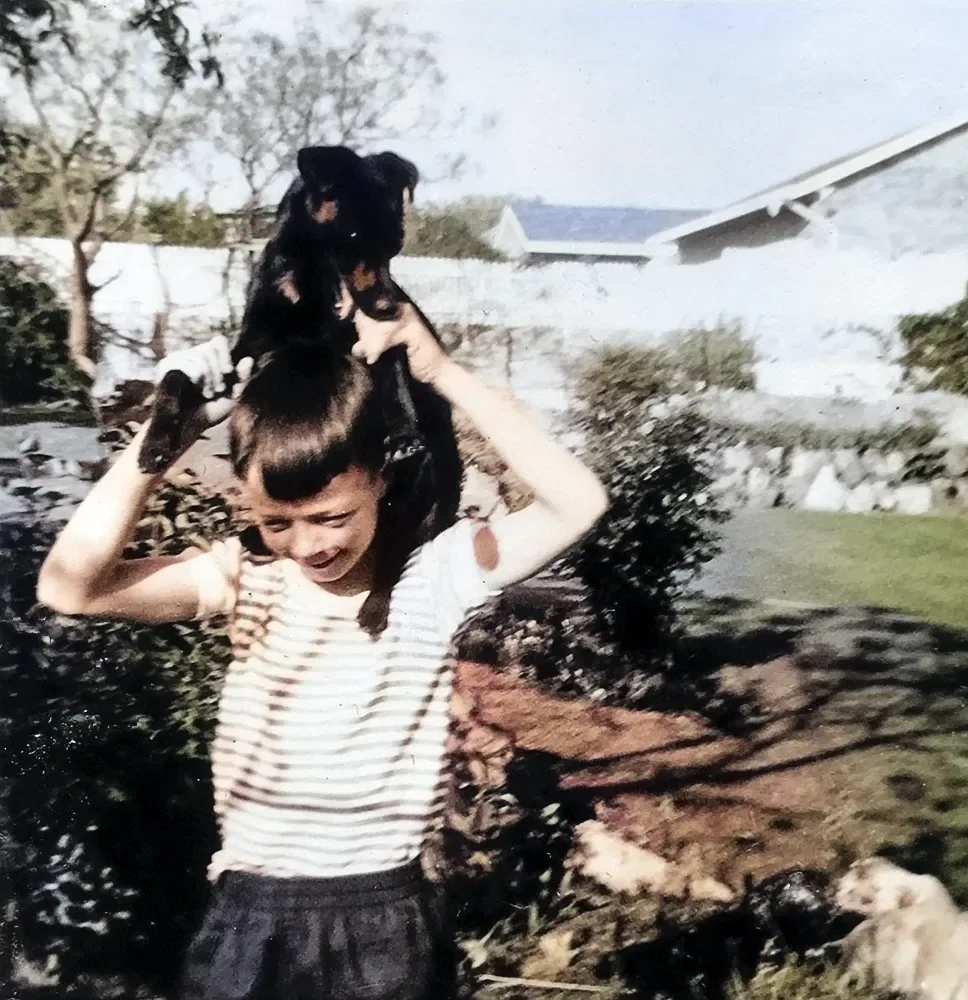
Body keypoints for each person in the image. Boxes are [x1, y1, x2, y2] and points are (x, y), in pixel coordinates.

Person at [36, 300, 608, 1000]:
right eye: (277, 522)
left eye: (331, 517)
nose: (307, 546)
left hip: (382, 922)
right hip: (252, 914)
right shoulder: (243, 575)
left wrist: (441, 371)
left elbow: (579, 503)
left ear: (381, 478)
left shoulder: (436, 575)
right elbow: (70, 587)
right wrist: (161, 440)